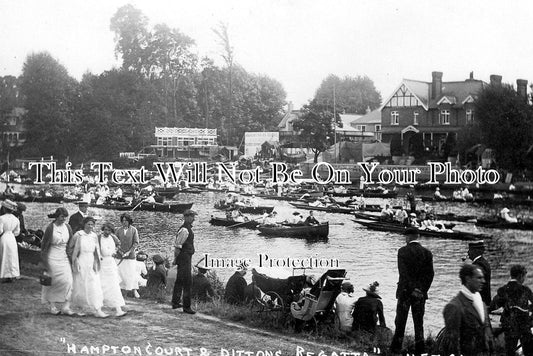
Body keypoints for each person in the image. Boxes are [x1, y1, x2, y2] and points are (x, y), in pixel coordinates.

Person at [390, 227, 434, 355]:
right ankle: (420, 350)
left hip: (405, 292)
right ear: (417, 236)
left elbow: (403, 274)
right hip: (420, 294)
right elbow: (430, 275)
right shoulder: (427, 252)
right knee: (418, 322)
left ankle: (396, 349)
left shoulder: (402, 251)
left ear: (408, 237)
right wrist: (421, 290)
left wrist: (412, 289)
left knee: (400, 321)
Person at [442, 264, 493, 356]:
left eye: (483, 278)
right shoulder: (454, 306)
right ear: (468, 279)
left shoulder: (481, 303)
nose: (483, 281)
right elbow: (452, 343)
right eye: (479, 278)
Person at [490, 265, 533, 356]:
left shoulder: (503, 290)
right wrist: (529, 316)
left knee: (510, 351)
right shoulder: (525, 290)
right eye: (524, 276)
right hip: (524, 326)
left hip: (509, 326)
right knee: (529, 351)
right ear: (520, 276)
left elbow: (493, 306)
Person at [71, 216, 107, 318]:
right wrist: (75, 260)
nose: (90, 226)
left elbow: (97, 250)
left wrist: (98, 261)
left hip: (91, 261)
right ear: (84, 224)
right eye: (88, 224)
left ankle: (97, 309)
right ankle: (81, 308)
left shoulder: (94, 236)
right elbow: (72, 248)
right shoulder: (79, 235)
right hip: (82, 260)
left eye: (92, 225)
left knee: (94, 284)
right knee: (81, 284)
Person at [171, 209, 197, 314]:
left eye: (193, 216)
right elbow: (177, 246)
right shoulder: (185, 230)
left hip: (185, 257)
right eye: (192, 217)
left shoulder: (186, 228)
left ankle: (175, 302)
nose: (193, 219)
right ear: (186, 217)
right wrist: (175, 259)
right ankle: (187, 307)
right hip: (184, 258)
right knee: (187, 282)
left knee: (180, 280)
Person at [98, 222, 126, 316]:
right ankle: (98, 307)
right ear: (103, 229)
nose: (107, 232)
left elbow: (119, 244)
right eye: (105, 230)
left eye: (109, 230)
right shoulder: (98, 238)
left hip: (111, 263)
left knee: (114, 285)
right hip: (102, 264)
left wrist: (115, 251)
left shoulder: (113, 237)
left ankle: (118, 309)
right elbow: (96, 249)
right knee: (101, 285)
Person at [116, 213, 140, 297]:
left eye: (126, 221)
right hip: (120, 255)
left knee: (131, 272)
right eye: (123, 221)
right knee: (120, 272)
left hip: (130, 256)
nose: (124, 222)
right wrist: (120, 251)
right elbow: (116, 242)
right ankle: (120, 290)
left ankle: (133, 290)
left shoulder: (134, 230)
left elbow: (136, 242)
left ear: (129, 221)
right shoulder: (118, 230)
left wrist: (129, 252)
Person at [0, 200, 21, 283]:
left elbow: (0, 230)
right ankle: (12, 275)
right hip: (12, 238)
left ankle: (4, 274)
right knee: (12, 256)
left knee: (4, 255)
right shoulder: (16, 219)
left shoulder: (1, 218)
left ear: (4, 209)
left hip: (4, 237)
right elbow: (17, 232)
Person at [467, 241, 491, 306]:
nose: (468, 253)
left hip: (480, 301)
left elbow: (477, 284)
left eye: (470, 250)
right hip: (484, 300)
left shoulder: (478, 264)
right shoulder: (484, 262)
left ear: (475, 251)